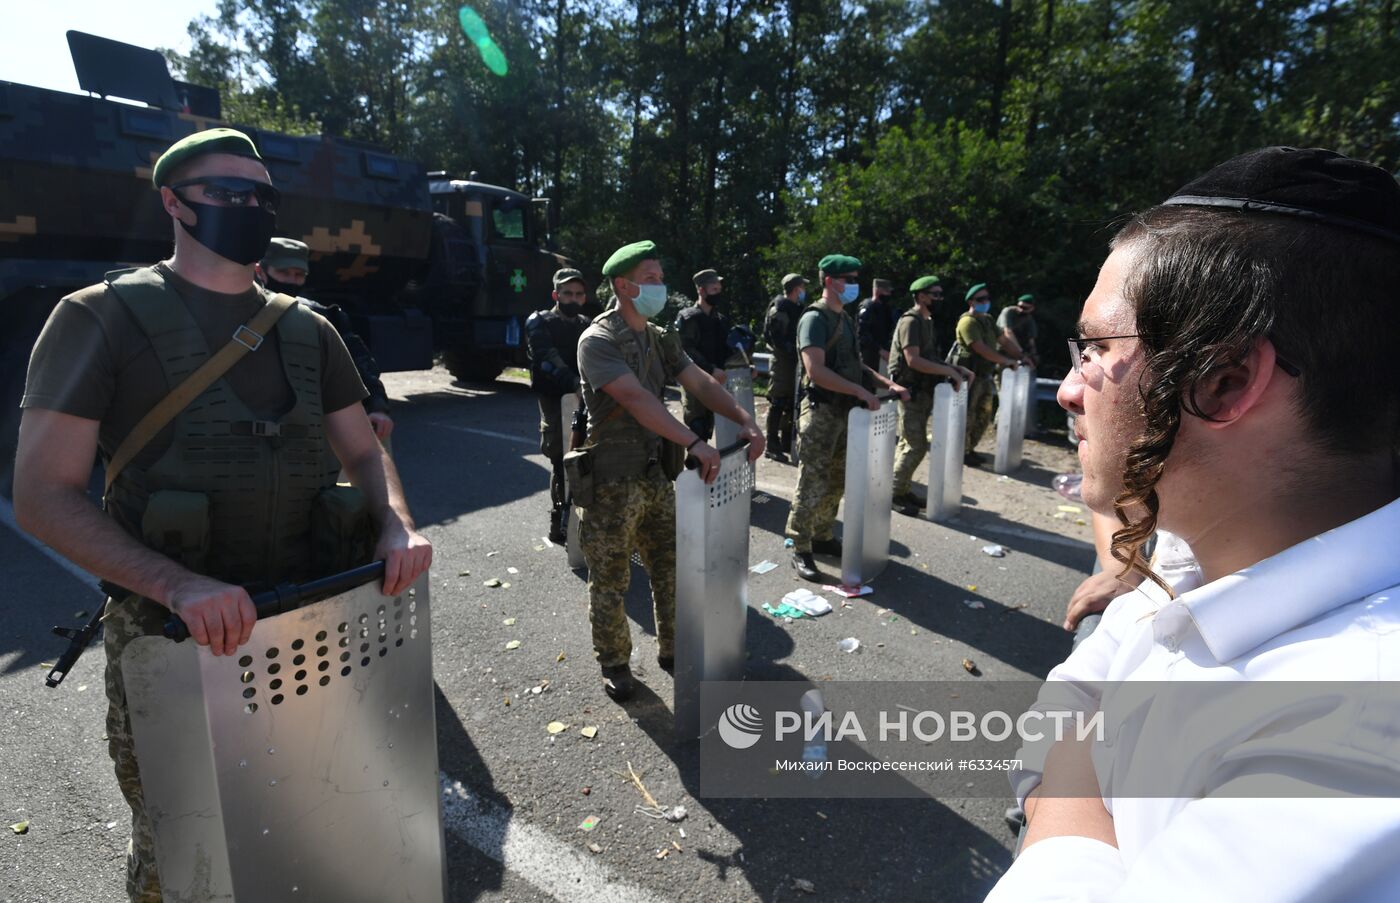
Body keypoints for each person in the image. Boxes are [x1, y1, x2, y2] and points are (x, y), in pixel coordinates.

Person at [12, 128, 433, 902]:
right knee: (183, 853)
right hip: (176, 644)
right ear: (173, 201)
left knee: (312, 819)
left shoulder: (310, 328)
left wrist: (395, 521)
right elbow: (42, 494)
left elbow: (365, 450)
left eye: (261, 197)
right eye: (226, 194)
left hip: (308, 632)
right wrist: (176, 585)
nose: (248, 208)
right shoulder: (99, 316)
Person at [986, 146, 1400, 901]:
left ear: (1226, 380)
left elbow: (1066, 734)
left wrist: (1072, 786)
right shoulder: (1193, 553)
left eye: (1099, 349)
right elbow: (1071, 692)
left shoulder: (1365, 732)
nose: (1070, 391)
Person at [576, 241, 763, 702]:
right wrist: (696, 442)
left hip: (655, 474)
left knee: (671, 568)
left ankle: (673, 649)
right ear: (624, 285)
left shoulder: (659, 335)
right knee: (611, 579)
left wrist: (743, 418)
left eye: (660, 277)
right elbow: (638, 400)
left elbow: (697, 380)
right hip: (610, 480)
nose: (661, 286)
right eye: (652, 278)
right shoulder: (597, 339)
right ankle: (616, 662)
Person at [785, 254, 908, 582]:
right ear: (829, 281)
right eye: (848, 279)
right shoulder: (815, 318)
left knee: (837, 478)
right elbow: (816, 371)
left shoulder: (845, 318)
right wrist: (859, 392)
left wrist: (885, 383)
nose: (854, 285)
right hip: (823, 411)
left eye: (856, 278)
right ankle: (800, 545)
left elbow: (856, 365)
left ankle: (823, 536)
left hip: (845, 414)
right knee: (813, 478)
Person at [254, 237, 395, 447]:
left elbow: (357, 361)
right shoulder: (240, 310)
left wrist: (377, 405)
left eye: (299, 275)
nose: (292, 281)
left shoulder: (321, 316)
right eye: (284, 273)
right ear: (260, 271)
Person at [888, 276, 973, 513]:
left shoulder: (926, 320)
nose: (939, 299)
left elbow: (930, 358)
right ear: (921, 296)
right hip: (910, 392)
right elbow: (913, 360)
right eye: (935, 294)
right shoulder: (911, 321)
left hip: (922, 391)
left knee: (909, 443)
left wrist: (955, 369)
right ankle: (894, 494)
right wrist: (948, 370)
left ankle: (901, 489)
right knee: (914, 445)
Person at [525, 267, 592, 542]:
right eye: (567, 293)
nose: (573, 299)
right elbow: (546, 357)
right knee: (559, 457)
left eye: (578, 294)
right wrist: (574, 383)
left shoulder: (587, 324)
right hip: (555, 398)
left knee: (587, 455)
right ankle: (559, 519)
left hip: (585, 398)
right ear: (556, 294)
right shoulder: (539, 321)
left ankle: (585, 519)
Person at [952, 283, 1027, 466]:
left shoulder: (988, 320)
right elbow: (981, 349)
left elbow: (1004, 340)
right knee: (967, 417)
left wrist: (1021, 356)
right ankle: (960, 452)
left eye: (986, 298)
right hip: (970, 377)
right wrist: (1005, 360)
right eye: (980, 299)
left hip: (984, 376)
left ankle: (969, 449)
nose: (985, 302)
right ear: (971, 302)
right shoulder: (967, 322)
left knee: (983, 416)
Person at [675, 268, 732, 442]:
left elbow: (726, 350)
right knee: (697, 427)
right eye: (714, 289)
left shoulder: (720, 320)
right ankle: (695, 465)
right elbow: (685, 349)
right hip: (695, 379)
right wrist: (710, 369)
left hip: (715, 381)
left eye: (719, 289)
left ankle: (706, 467)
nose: (718, 293)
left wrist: (745, 365)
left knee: (708, 426)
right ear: (701, 290)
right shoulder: (688, 318)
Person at [762, 273, 807, 462]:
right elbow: (775, 336)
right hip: (783, 360)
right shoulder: (780, 306)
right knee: (778, 400)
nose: (804, 291)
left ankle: (787, 440)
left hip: (794, 359)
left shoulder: (796, 307)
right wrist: (790, 350)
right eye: (802, 287)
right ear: (796, 289)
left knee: (791, 401)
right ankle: (771, 444)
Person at [857, 277, 897, 374]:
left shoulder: (885, 308)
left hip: (883, 353)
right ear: (878, 290)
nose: (889, 294)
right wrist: (880, 350)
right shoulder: (868, 307)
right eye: (887, 292)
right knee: (868, 381)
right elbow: (862, 334)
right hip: (869, 353)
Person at [996, 293, 1039, 366]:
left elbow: (1031, 341)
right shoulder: (1008, 311)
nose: (1021, 310)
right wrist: (1020, 351)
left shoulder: (1029, 319)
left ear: (1032, 308)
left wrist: (1033, 355)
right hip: (1001, 348)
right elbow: (1008, 332)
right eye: (1020, 306)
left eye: (1025, 308)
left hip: (1016, 351)